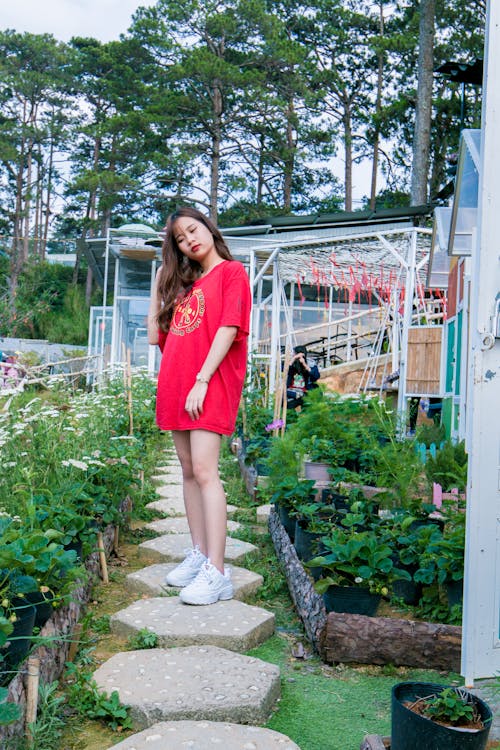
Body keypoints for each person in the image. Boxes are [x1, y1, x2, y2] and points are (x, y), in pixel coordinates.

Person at [147, 206, 251, 605]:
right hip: (176, 384)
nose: (190, 239)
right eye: (180, 239)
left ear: (208, 228)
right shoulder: (188, 287)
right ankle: (198, 553)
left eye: (193, 230)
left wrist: (202, 380)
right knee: (189, 472)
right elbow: (158, 337)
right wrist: (160, 281)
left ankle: (217, 571)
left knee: (207, 472)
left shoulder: (231, 273)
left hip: (208, 385)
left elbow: (228, 329)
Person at [286, 345, 320, 409]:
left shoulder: (310, 363)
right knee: (283, 393)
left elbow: (316, 377)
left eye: (294, 353)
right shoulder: (292, 363)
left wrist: (305, 365)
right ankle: (298, 396)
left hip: (305, 391)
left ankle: (299, 396)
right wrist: (293, 359)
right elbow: (285, 371)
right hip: (291, 390)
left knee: (291, 403)